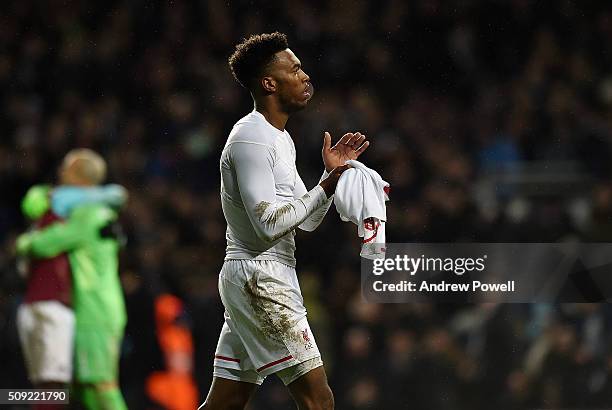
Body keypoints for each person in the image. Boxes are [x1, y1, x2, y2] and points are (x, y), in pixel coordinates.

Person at [200, 32, 369, 410]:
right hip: (261, 279)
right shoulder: (251, 139)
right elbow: (269, 225)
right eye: (294, 69)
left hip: (261, 274)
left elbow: (304, 222)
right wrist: (325, 187)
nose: (305, 76)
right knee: (318, 400)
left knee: (225, 403)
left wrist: (332, 178)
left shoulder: (279, 138)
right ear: (269, 83)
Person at [16, 149, 128, 410]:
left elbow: (44, 244)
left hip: (95, 309)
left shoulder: (88, 214)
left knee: (101, 385)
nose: (60, 172)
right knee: (81, 388)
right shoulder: (98, 208)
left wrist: (22, 242)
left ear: (76, 173)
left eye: (65, 168)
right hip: (88, 307)